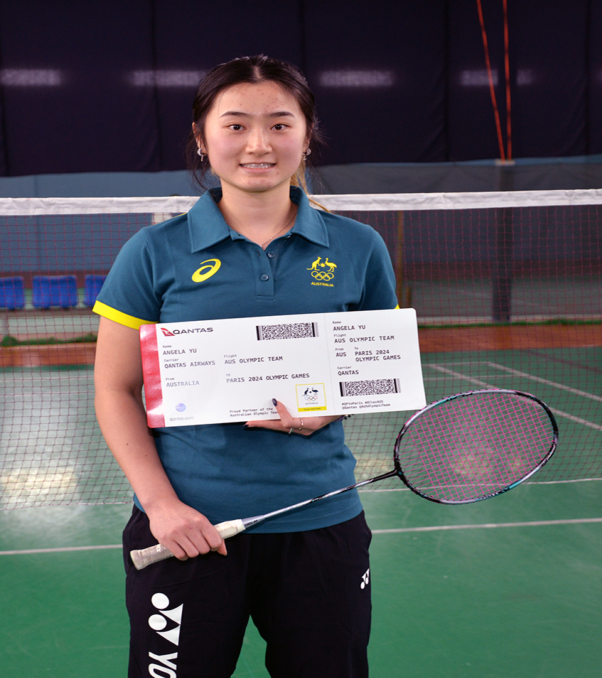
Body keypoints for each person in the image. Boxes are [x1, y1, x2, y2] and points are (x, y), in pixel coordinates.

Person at [92, 55, 397, 677]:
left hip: (322, 523)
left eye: (280, 124)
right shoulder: (151, 252)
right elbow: (114, 388)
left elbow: (369, 371)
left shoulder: (360, 247)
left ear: (307, 136)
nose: (258, 143)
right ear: (202, 139)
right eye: (235, 125)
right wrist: (162, 508)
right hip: (187, 528)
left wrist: (327, 409)